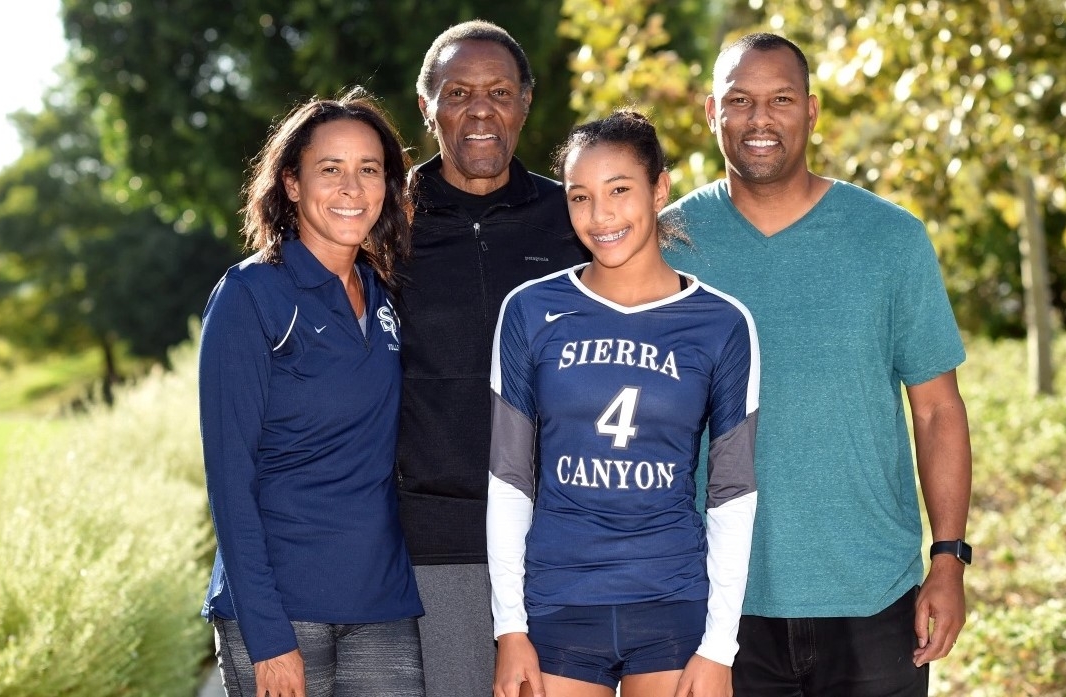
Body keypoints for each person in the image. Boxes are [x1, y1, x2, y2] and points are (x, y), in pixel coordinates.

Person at [662, 33, 973, 696]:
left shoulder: (889, 238)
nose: (759, 119)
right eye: (739, 100)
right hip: (718, 604)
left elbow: (937, 409)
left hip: (871, 596)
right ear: (710, 112)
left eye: (779, 99)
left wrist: (947, 558)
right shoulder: (666, 244)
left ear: (811, 110)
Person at [488, 110, 760, 697]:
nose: (601, 216)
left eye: (619, 191)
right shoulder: (530, 311)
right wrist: (509, 627)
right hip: (559, 601)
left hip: (671, 600)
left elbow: (733, 492)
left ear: (659, 188)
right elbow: (509, 480)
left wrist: (719, 647)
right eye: (580, 197)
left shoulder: (722, 323)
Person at [198, 88, 425, 697]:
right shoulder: (252, 295)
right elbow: (228, 477)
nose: (352, 187)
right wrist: (268, 637)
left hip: (381, 599)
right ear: (293, 185)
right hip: (281, 607)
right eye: (331, 169)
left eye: (369, 170)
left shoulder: (384, 295)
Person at [396, 20, 589, 697]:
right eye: (457, 93)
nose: (480, 110)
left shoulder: (571, 219)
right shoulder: (387, 222)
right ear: (428, 108)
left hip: (561, 541)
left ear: (525, 103)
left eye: (499, 91)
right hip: (437, 541)